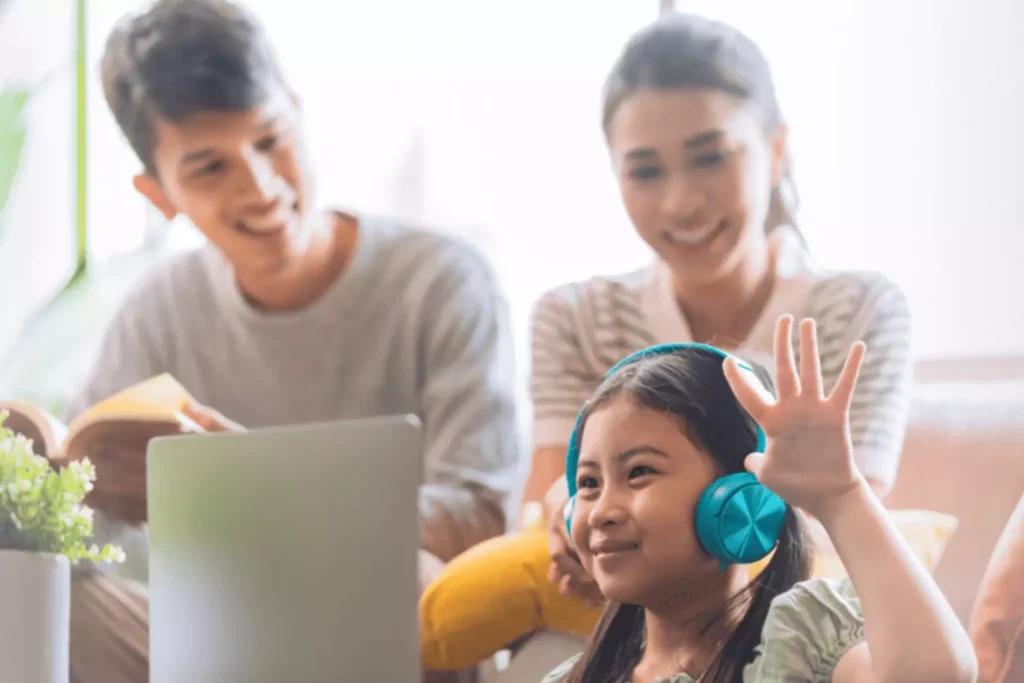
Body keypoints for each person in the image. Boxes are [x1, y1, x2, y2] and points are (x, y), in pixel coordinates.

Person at [64, 1, 520, 681]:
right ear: (158, 194)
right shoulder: (159, 308)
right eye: (209, 168)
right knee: (51, 592)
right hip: (219, 644)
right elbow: (82, 508)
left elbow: (482, 515)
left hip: (395, 638)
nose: (261, 186)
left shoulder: (442, 281)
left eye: (270, 139)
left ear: (300, 112)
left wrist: (256, 493)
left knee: (411, 573)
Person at [522, 12, 913, 613]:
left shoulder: (858, 309)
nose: (681, 202)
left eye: (711, 158)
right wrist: (562, 511)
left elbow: (842, 530)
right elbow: (559, 495)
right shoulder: (572, 317)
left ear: (776, 148)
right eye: (645, 171)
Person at [540, 315, 975, 682]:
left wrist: (842, 496)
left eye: (639, 472)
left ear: (737, 500)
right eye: (589, 483)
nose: (601, 512)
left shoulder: (804, 647)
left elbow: (935, 674)